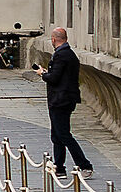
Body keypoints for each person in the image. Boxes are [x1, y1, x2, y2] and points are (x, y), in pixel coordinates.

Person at [38, 25, 94, 179]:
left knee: (63, 134)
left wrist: (43, 74)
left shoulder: (61, 56)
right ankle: (60, 167)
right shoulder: (69, 54)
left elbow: (54, 78)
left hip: (60, 100)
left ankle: (85, 165)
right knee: (56, 134)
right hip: (64, 99)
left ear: (54, 39)